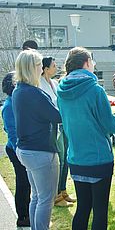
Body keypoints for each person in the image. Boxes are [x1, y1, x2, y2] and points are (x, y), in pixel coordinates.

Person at [57, 47, 115, 230]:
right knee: (100, 210)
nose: (94, 64)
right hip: (98, 159)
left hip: (76, 157)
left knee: (83, 208)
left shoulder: (61, 89)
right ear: (85, 63)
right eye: (92, 60)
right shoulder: (95, 90)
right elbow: (111, 125)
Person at [12, 49, 67, 230]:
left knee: (36, 196)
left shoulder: (20, 90)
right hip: (41, 151)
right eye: (38, 65)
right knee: (46, 197)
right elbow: (57, 116)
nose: (41, 68)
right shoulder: (33, 93)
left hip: (26, 150)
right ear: (33, 68)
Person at [39, 56, 75, 207]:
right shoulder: (39, 85)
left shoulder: (54, 83)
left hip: (63, 124)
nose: (56, 68)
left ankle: (63, 189)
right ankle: (56, 196)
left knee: (66, 156)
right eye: (54, 66)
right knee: (59, 158)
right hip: (53, 128)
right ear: (46, 69)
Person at [2, 72, 31, 227]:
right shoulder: (9, 106)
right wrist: (21, 154)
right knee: (23, 183)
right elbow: (12, 134)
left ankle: (27, 213)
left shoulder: (17, 102)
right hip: (16, 150)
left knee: (27, 183)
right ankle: (22, 217)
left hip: (22, 148)